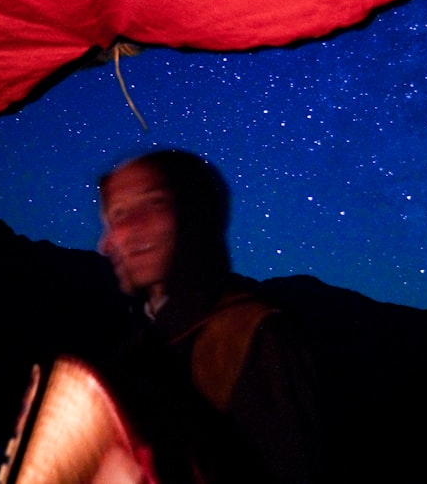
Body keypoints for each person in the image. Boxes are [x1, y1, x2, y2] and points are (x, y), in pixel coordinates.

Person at [96, 149, 323, 483]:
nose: (125, 231)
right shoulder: (140, 345)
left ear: (195, 214)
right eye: (117, 215)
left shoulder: (252, 334)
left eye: (154, 203)